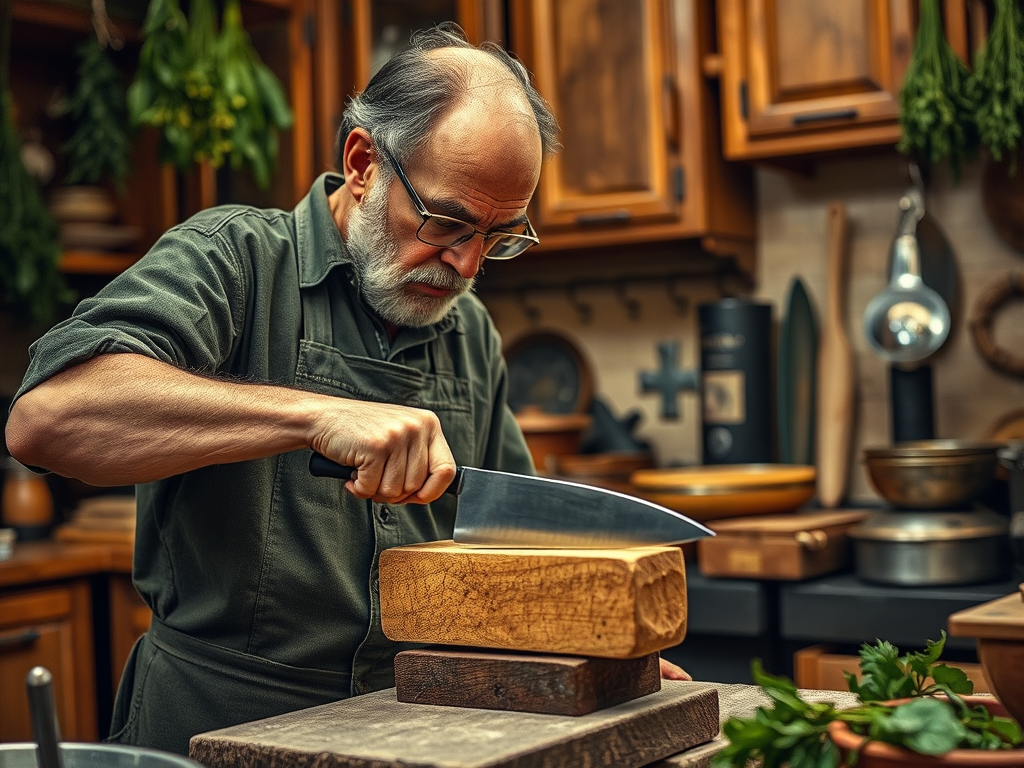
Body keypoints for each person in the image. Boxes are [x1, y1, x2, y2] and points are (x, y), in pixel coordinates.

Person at [6, 23, 688, 756]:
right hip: (217, 732)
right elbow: (48, 417)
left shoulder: (471, 334)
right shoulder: (236, 259)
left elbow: (511, 556)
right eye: (445, 221)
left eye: (498, 236)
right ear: (363, 163)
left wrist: (606, 657)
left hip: (414, 733)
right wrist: (316, 415)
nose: (464, 264)